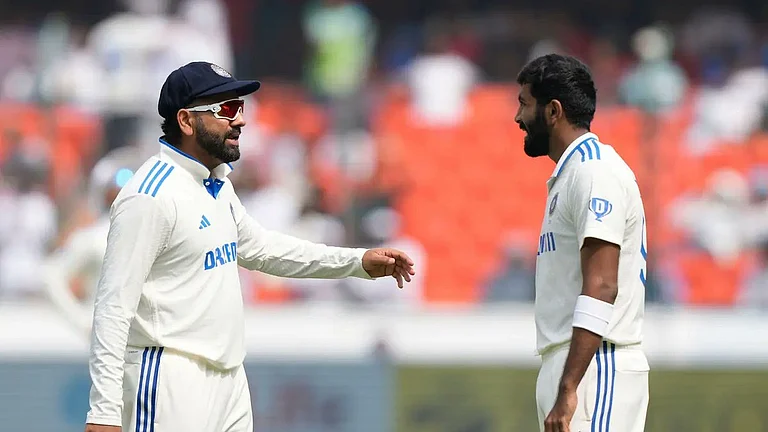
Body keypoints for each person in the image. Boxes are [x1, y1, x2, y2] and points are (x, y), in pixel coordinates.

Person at [84, 61, 415, 432]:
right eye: (225, 109)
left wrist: (356, 262)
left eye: (240, 108)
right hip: (169, 377)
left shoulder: (217, 185)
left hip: (229, 380)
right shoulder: (150, 196)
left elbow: (263, 249)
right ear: (186, 120)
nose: (239, 121)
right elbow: (113, 308)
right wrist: (104, 412)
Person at [514, 54, 649, 432]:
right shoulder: (572, 174)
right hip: (575, 367)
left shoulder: (594, 171)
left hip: (596, 368)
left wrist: (570, 387)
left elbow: (603, 284)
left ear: (553, 111)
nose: (518, 117)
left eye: (524, 103)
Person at [43, 159, 135, 334]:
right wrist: (82, 320)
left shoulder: (153, 234)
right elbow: (51, 275)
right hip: (106, 337)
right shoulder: (93, 238)